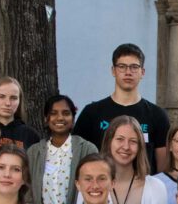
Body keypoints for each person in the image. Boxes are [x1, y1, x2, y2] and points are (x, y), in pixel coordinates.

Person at [73, 43, 170, 174]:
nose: (128, 72)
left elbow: (162, 168)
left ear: (142, 72)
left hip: (143, 189)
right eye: (122, 67)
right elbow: (77, 159)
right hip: (101, 189)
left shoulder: (157, 115)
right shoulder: (91, 113)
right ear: (113, 70)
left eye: (134, 67)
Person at [96, 115, 169, 204]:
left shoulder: (156, 188)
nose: (126, 147)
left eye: (133, 141)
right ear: (109, 142)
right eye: (120, 139)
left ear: (140, 147)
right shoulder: (92, 186)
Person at [27, 94, 97, 204]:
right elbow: (27, 189)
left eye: (66, 113)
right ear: (46, 119)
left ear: (73, 119)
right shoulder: (33, 152)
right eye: (53, 113)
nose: (60, 117)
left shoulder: (87, 150)